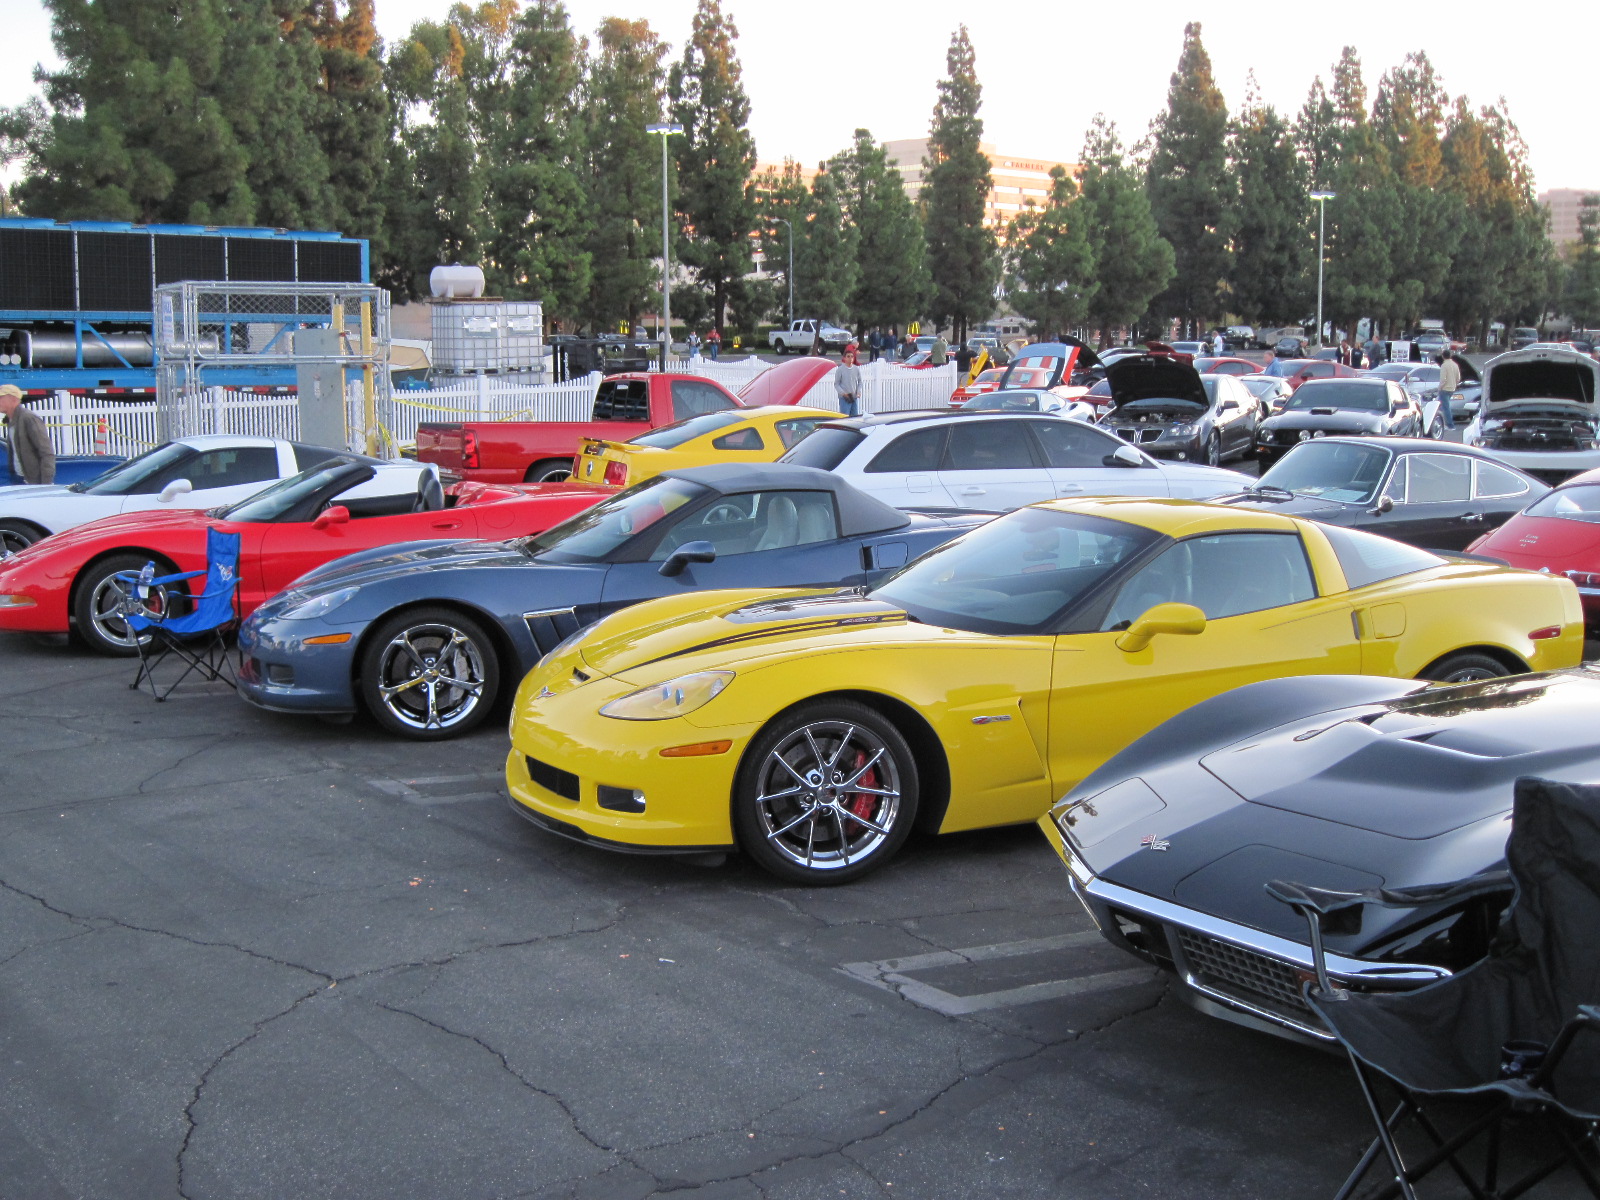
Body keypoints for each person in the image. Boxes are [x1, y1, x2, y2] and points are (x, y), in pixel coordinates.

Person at [0, 384, 55, 485]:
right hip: (18, 478)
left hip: (32, 481)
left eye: (1, 397)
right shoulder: (11, 421)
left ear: (13, 399)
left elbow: (46, 452)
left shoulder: (28, 418)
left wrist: (45, 484)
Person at [835, 343, 862, 417]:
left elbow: (860, 382)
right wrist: (843, 393)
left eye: (852, 357)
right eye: (848, 356)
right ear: (844, 358)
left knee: (855, 417)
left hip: (854, 397)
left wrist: (858, 391)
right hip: (844, 398)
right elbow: (836, 384)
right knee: (845, 417)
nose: (850, 358)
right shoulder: (840, 370)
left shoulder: (856, 369)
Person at [1436, 350, 1461, 429]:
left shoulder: (1444, 365)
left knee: (1445, 407)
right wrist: (1455, 385)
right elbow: (1458, 378)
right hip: (1452, 388)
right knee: (1445, 406)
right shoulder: (1455, 365)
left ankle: (1450, 425)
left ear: (1443, 356)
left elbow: (1443, 379)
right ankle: (1445, 423)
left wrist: (1439, 388)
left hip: (1444, 389)